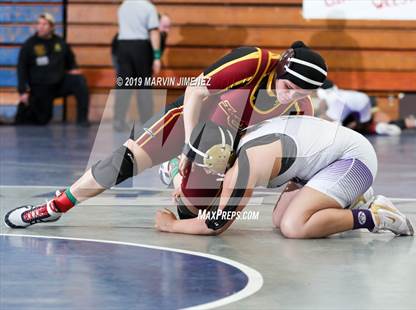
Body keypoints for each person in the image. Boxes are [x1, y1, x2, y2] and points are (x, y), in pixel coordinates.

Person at [4, 41, 328, 229]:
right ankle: (55, 206)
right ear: (279, 71)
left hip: (221, 146)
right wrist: (187, 149)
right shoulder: (254, 62)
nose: (291, 97)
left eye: (302, 93)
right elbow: (196, 93)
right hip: (191, 118)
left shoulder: (300, 110)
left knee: (195, 216)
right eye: (288, 87)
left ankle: (178, 172)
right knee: (123, 163)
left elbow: (288, 164)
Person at [154, 117, 414, 238]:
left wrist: (171, 226)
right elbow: (184, 166)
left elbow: (215, 226)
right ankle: (351, 198)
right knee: (279, 220)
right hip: (324, 162)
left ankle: (377, 216)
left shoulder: (245, 164)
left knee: (295, 226)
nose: (206, 174)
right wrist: (179, 178)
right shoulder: (233, 142)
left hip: (354, 160)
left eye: (205, 168)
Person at [15, 13, 90, 126]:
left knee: (79, 81)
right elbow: (21, 68)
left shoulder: (60, 42)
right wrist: (22, 91)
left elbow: (71, 61)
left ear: (52, 27)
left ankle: (82, 120)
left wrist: (74, 69)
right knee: (41, 121)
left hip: (59, 84)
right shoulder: (29, 44)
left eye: (44, 24)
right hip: (40, 87)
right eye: (39, 24)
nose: (40, 26)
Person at [113, 0, 162, 131]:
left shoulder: (123, 6)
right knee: (144, 84)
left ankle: (118, 120)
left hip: (122, 46)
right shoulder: (149, 7)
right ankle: (147, 122)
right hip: (141, 47)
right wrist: (157, 56)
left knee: (123, 84)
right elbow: (154, 32)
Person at [316, 79, 416, 135]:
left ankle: (376, 128)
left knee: (337, 128)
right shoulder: (336, 92)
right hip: (364, 99)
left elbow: (328, 121)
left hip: (347, 106)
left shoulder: (326, 97)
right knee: (364, 124)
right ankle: (414, 122)